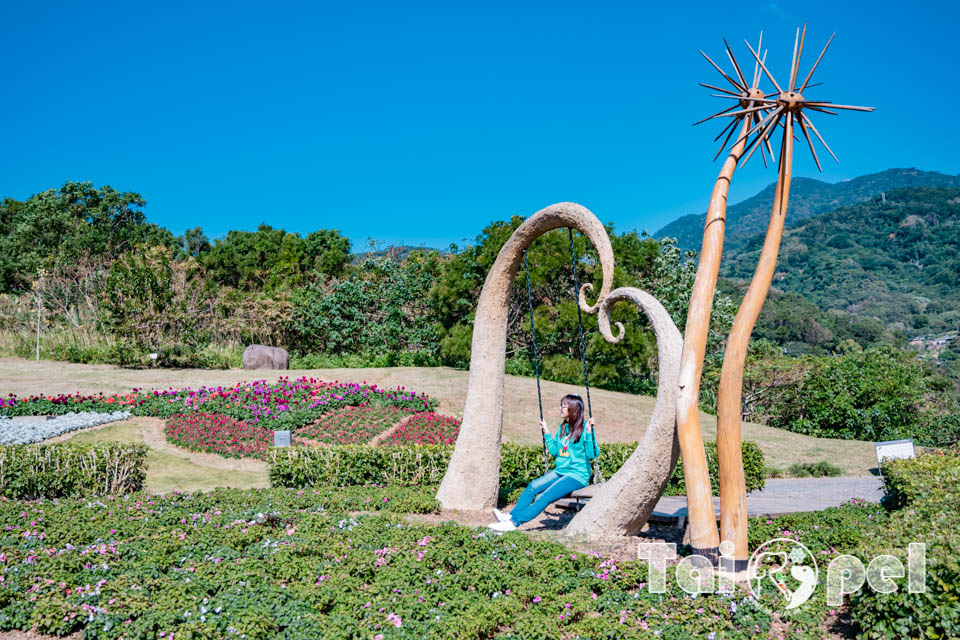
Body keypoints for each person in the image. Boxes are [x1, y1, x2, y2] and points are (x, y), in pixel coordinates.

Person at [487, 393, 598, 532]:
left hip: (576, 475)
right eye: (561, 405)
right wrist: (546, 431)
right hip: (560, 471)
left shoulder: (584, 428)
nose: (560, 408)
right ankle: (510, 516)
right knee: (532, 487)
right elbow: (554, 452)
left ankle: (513, 523)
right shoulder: (563, 428)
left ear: (574, 409)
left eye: (564, 406)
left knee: (544, 496)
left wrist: (589, 433)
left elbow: (592, 454)